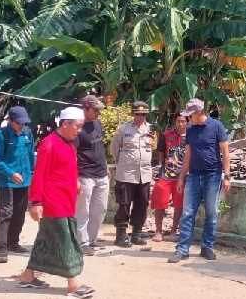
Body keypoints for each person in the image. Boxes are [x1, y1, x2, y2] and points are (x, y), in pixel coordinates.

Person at [19, 107, 94, 299]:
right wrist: (36, 202)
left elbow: (69, 167)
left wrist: (76, 181)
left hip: (66, 201)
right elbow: (39, 175)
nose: (79, 130)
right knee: (66, 241)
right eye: (77, 126)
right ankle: (73, 284)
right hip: (53, 203)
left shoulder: (70, 143)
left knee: (45, 240)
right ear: (65, 124)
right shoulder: (49, 144)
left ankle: (28, 276)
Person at [168, 99, 231, 263]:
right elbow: (188, 153)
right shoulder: (190, 129)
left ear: (199, 112)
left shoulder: (216, 126)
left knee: (211, 213)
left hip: (213, 176)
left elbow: (225, 151)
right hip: (194, 176)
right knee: (188, 213)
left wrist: (227, 176)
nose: (188, 119)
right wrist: (182, 177)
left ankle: (207, 247)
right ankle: (182, 249)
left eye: (190, 115)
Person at [0, 105, 35, 264]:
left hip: (24, 181)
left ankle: (13, 243)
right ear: (10, 121)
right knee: (5, 214)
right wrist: (11, 173)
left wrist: (31, 173)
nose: (21, 125)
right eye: (18, 123)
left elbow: (31, 155)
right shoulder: (0, 135)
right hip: (7, 181)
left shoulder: (27, 133)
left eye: (23, 123)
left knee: (20, 212)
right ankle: (1, 249)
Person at [110, 101, 155, 247]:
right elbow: (114, 149)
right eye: (137, 114)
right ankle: (121, 235)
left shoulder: (151, 129)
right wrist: (122, 163)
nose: (140, 117)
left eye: (143, 114)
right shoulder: (123, 129)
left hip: (145, 174)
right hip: (126, 174)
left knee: (142, 203)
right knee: (124, 204)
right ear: (133, 114)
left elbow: (153, 148)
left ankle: (136, 233)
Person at [74, 95, 108, 256]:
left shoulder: (98, 123)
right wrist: (75, 178)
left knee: (100, 209)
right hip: (85, 175)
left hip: (101, 174)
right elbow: (72, 154)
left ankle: (92, 239)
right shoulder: (78, 128)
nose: (98, 113)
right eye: (95, 110)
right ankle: (82, 241)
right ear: (86, 109)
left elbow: (100, 147)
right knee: (83, 211)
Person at [151, 113, 187, 242]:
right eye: (178, 121)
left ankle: (173, 231)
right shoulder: (166, 135)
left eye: (183, 121)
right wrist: (161, 166)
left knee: (179, 205)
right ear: (175, 121)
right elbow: (161, 151)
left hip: (182, 177)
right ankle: (158, 231)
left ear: (187, 122)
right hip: (166, 175)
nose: (181, 124)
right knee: (160, 202)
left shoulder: (191, 136)